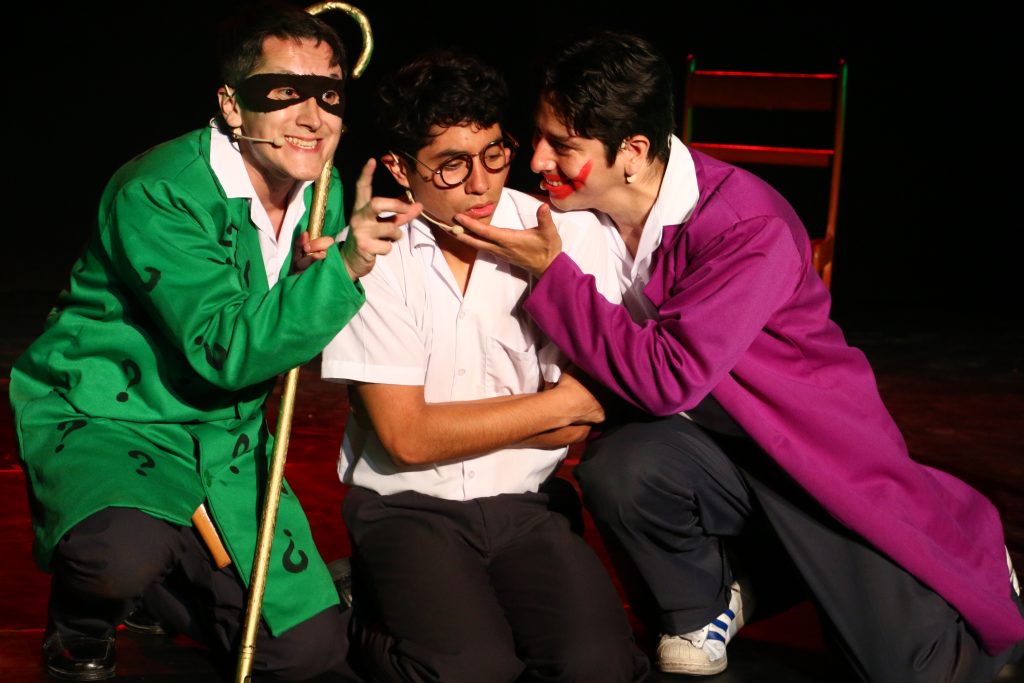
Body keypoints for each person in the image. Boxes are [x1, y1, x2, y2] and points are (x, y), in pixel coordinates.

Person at [452, 31, 1024, 682]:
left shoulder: (747, 225)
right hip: (704, 449)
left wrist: (554, 277)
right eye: (538, 136)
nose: (537, 159)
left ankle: (965, 537)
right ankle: (705, 603)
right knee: (622, 469)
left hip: (805, 452)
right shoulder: (579, 214)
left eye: (563, 145)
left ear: (632, 152)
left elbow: (666, 378)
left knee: (912, 670)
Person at [8, 3, 417, 680]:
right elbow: (225, 346)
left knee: (306, 652)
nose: (312, 117)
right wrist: (340, 271)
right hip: (116, 417)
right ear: (232, 105)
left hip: (226, 438)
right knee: (116, 556)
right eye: (282, 93)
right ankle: (83, 620)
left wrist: (311, 275)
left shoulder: (324, 192)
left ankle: (161, 593)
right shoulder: (160, 190)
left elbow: (288, 322)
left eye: (329, 95)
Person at [320, 50, 648, 683]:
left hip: (526, 504)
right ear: (400, 168)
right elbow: (407, 440)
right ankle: (355, 611)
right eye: (451, 164)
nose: (480, 184)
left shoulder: (564, 235)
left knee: (598, 667)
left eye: (494, 154)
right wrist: (556, 405)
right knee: (471, 671)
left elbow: (586, 420)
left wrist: (553, 413)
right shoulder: (371, 254)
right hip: (406, 508)